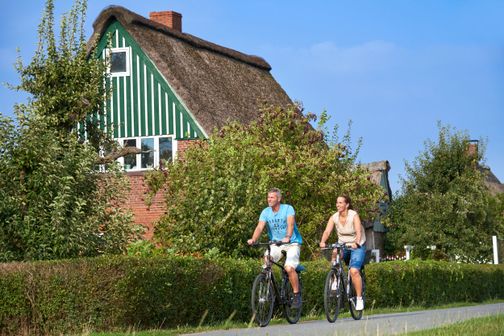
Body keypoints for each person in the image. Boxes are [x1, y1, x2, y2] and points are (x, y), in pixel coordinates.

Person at [247, 188, 303, 308]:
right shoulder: (265, 212)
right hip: (276, 244)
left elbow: (290, 224)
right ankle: (269, 287)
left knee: (288, 268)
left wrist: (287, 236)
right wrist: (253, 239)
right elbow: (259, 227)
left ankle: (296, 295)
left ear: (279, 198)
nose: (269, 199)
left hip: (292, 243)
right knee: (267, 260)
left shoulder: (288, 208)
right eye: (268, 197)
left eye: (272, 197)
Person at [319, 195, 366, 311]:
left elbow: (358, 231)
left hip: (357, 245)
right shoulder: (334, 217)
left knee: (354, 271)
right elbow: (327, 231)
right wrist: (323, 241)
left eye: (340, 203)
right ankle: (334, 278)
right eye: (337, 203)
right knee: (335, 252)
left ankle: (359, 299)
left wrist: (357, 242)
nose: (338, 205)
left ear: (347, 205)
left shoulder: (353, 215)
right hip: (343, 245)